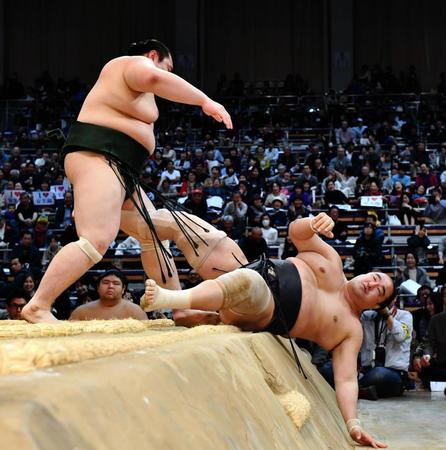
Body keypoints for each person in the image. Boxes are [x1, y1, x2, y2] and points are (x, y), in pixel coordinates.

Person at [23, 38, 232, 323]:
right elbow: (153, 76)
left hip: (121, 167)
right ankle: (38, 305)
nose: (169, 75)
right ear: (153, 54)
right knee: (96, 238)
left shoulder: (136, 88)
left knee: (153, 233)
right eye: (169, 68)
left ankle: (180, 308)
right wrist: (204, 100)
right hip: (98, 155)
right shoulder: (129, 64)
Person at [140, 213, 392, 448]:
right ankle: (121, 214)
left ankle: (170, 298)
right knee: (182, 224)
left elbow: (346, 379)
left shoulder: (350, 329)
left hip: (264, 306)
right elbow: (297, 233)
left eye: (379, 290)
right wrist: (313, 222)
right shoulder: (332, 260)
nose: (372, 283)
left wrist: (353, 424)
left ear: (376, 305)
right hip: (251, 266)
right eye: (376, 277)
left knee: (248, 284)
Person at [359, 298, 413, 398]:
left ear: (395, 297)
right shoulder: (366, 315)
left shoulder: (405, 315)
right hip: (367, 370)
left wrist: (386, 314)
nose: (382, 298)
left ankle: (354, 388)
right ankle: (361, 390)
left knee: (379, 374)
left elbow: (400, 336)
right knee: (328, 369)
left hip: (393, 373)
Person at [69, 269, 147, 321]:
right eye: (106, 283)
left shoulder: (136, 311)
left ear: (123, 289)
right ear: (98, 287)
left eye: (116, 283)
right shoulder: (81, 312)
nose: (110, 286)